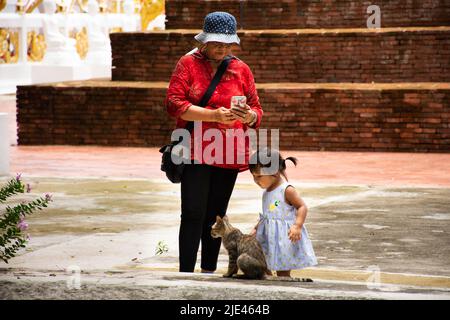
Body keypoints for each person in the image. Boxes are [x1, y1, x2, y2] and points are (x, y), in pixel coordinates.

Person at [164, 11, 263, 273]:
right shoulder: (188, 64)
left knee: (216, 215)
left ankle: (208, 270)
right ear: (204, 41)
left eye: (227, 43)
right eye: (217, 43)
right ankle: (186, 271)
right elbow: (174, 104)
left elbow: (256, 110)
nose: (222, 48)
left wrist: (249, 115)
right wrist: (213, 115)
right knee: (193, 213)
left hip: (228, 150)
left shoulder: (241, 68)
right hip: (196, 147)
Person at [249, 149, 317, 277]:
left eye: (259, 176)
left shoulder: (287, 190)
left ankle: (284, 285)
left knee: (283, 269)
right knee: (262, 262)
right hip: (268, 235)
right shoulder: (267, 191)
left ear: (274, 172)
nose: (255, 180)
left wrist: (297, 225)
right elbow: (272, 208)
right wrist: (256, 227)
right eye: (253, 176)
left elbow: (302, 206)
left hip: (283, 237)